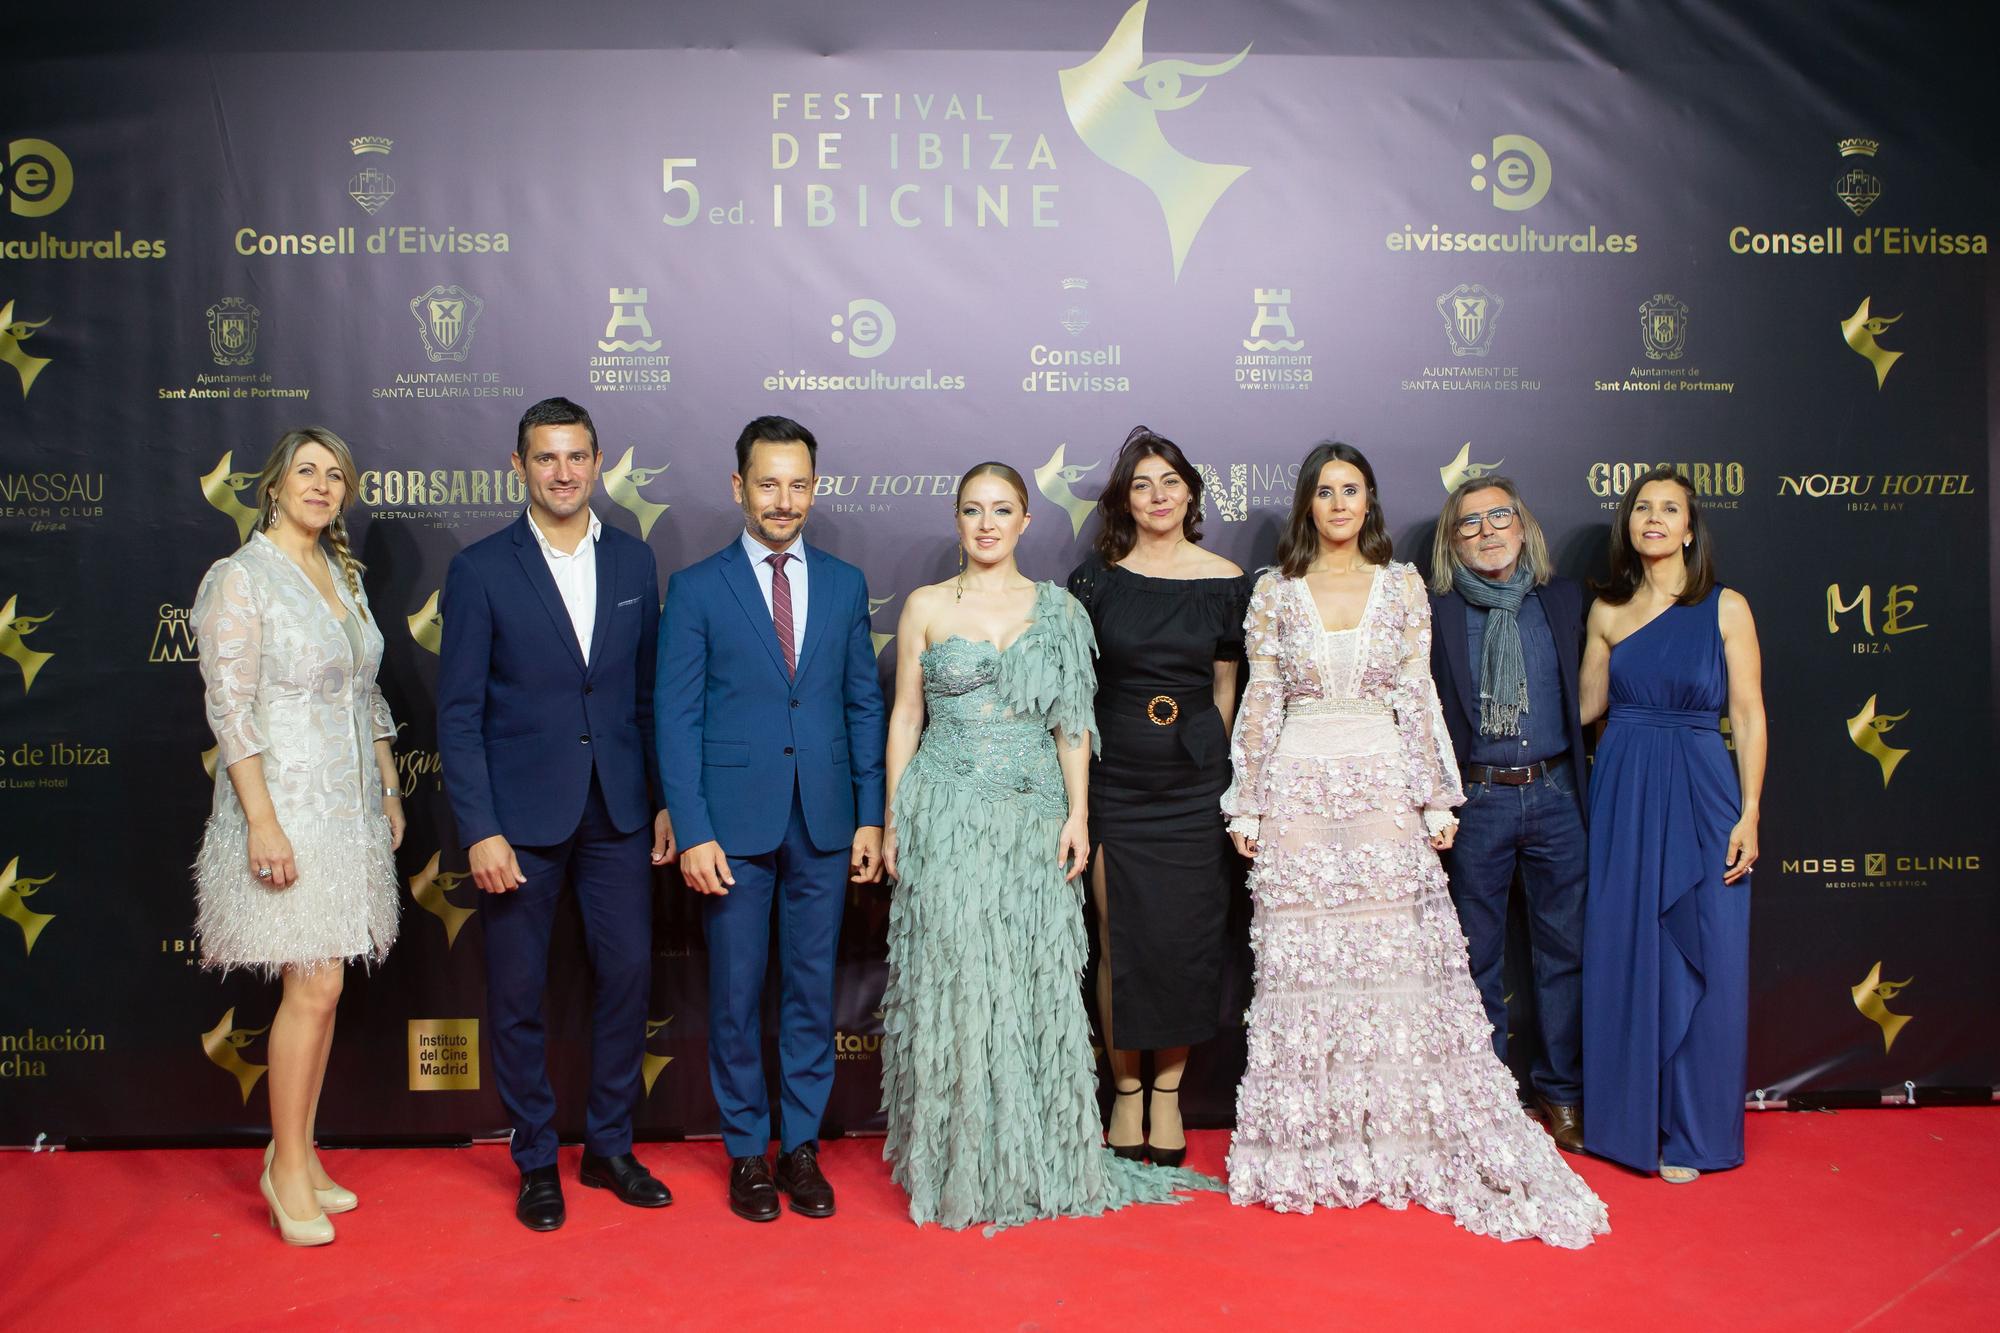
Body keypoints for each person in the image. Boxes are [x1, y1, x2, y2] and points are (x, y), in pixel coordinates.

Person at [1222, 441, 1607, 1247]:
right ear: (1307, 504)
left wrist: (1437, 793)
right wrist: (1247, 801)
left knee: (1395, 964)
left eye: (1351, 490)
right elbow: (1259, 700)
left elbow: (1416, 692)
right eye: (1324, 492)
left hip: (1383, 787)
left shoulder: (1399, 586)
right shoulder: (1274, 592)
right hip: (1297, 787)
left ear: (1370, 502)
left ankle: (1399, 1132)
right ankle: (1312, 1137)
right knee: (1307, 966)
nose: (1337, 505)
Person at [878, 462, 1220, 1230]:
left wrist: (1079, 814)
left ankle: (1033, 1148)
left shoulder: (1061, 609)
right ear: (957, 519)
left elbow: (1073, 720)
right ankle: (963, 1155)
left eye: (1002, 509)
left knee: (1034, 979)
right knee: (960, 982)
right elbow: (905, 715)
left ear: (1026, 520)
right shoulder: (927, 606)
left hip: (1036, 815)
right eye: (973, 509)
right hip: (947, 813)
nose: (988, 523)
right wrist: (897, 816)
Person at [437, 397, 675, 1232]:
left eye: (577, 456)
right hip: (518, 823)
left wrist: (658, 803)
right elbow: (458, 714)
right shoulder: (479, 569)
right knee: (518, 993)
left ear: (599, 460)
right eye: (546, 458)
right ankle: (537, 1156)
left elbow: (645, 700)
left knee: (628, 977)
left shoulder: (638, 564)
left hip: (617, 811)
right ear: (519, 466)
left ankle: (609, 1147)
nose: (564, 472)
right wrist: (480, 827)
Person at [655, 416, 886, 1223]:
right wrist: (693, 828)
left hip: (824, 823)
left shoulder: (847, 582)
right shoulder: (694, 588)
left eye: (797, 484)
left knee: (809, 994)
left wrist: (870, 816)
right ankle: (746, 1152)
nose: (782, 500)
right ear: (738, 487)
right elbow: (675, 719)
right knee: (734, 993)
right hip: (731, 829)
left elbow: (863, 702)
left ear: (814, 488)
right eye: (767, 483)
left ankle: (800, 1147)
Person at [192, 426, 405, 1246]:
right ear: (274, 486)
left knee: (326, 989)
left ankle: (299, 1151)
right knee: (310, 988)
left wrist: (388, 787)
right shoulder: (241, 579)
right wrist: (263, 821)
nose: (321, 485)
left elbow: (366, 694)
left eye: (335, 475)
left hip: (348, 812)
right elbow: (230, 707)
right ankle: (284, 1174)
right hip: (286, 811)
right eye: (306, 472)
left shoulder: (340, 573)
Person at [1065, 427, 1248, 1166]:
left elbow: (1226, 688)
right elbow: (1079, 691)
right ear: (1125, 499)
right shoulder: (1096, 581)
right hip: (1117, 783)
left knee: (1183, 943)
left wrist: (1217, 774)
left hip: (1192, 788)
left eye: (1170, 480)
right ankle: (1125, 1090)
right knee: (1121, 942)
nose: (1158, 494)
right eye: (1142, 484)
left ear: (1191, 492)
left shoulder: (1229, 579)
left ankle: (1167, 1093)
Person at [1579, 465, 1765, 1183]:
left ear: (1690, 527)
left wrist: (1750, 810)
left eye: (1669, 509)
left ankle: (1693, 1130)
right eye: (1642, 508)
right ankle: (1632, 1125)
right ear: (1629, 525)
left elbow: (1747, 714)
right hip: (1624, 788)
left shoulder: (1726, 607)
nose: (1653, 518)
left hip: (1702, 788)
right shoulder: (1607, 610)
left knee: (1710, 955)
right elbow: (1588, 709)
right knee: (1627, 950)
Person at [1427, 476, 1590, 1152]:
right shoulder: (1434, 613)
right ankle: (1487, 1097)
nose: (1489, 530)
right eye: (1472, 523)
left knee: (1566, 954)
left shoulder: (1565, 600)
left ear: (1524, 527)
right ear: (1452, 541)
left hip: (1555, 794)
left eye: (1501, 516)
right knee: (1475, 958)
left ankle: (1563, 1094)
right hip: (1479, 799)